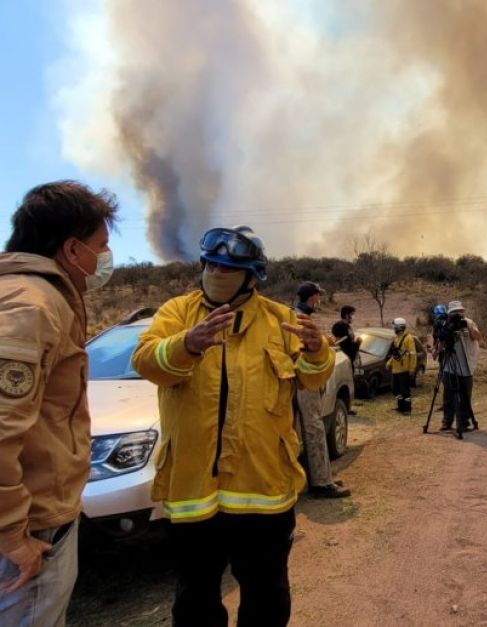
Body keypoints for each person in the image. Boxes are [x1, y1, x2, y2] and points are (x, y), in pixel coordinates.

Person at [131, 227, 335, 626]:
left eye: (227, 268)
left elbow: (312, 379)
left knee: (267, 598)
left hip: (263, 493)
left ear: (252, 276)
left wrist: (317, 351)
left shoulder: (281, 319)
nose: (215, 273)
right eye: (210, 265)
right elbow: (145, 361)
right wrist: (186, 344)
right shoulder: (176, 313)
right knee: (195, 602)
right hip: (193, 494)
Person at [0, 181, 118, 625]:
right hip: (31, 528)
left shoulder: (19, 296)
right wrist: (11, 533)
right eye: (100, 246)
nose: (104, 258)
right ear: (72, 249)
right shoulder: (33, 307)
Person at [294, 282, 351, 499]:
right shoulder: (299, 318)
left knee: (313, 427)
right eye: (318, 296)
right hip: (303, 380)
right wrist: (324, 343)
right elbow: (301, 349)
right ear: (312, 297)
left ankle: (321, 477)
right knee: (314, 427)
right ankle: (321, 483)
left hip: (305, 378)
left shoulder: (299, 315)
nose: (319, 301)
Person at [439, 300, 483, 435]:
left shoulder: (469, 322)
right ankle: (447, 422)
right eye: (454, 312)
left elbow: (478, 337)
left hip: (466, 365)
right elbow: (441, 343)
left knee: (465, 396)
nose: (457, 314)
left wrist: (467, 326)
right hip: (450, 365)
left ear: (463, 312)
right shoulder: (447, 324)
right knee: (448, 395)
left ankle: (463, 422)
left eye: (459, 311)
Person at [385, 317, 417, 413]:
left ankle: (407, 409)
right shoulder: (396, 339)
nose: (393, 329)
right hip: (396, 370)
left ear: (398, 327)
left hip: (404, 370)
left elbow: (413, 354)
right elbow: (395, 355)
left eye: (394, 327)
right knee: (396, 390)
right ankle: (401, 407)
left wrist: (412, 368)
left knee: (405, 391)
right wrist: (389, 363)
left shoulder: (408, 338)